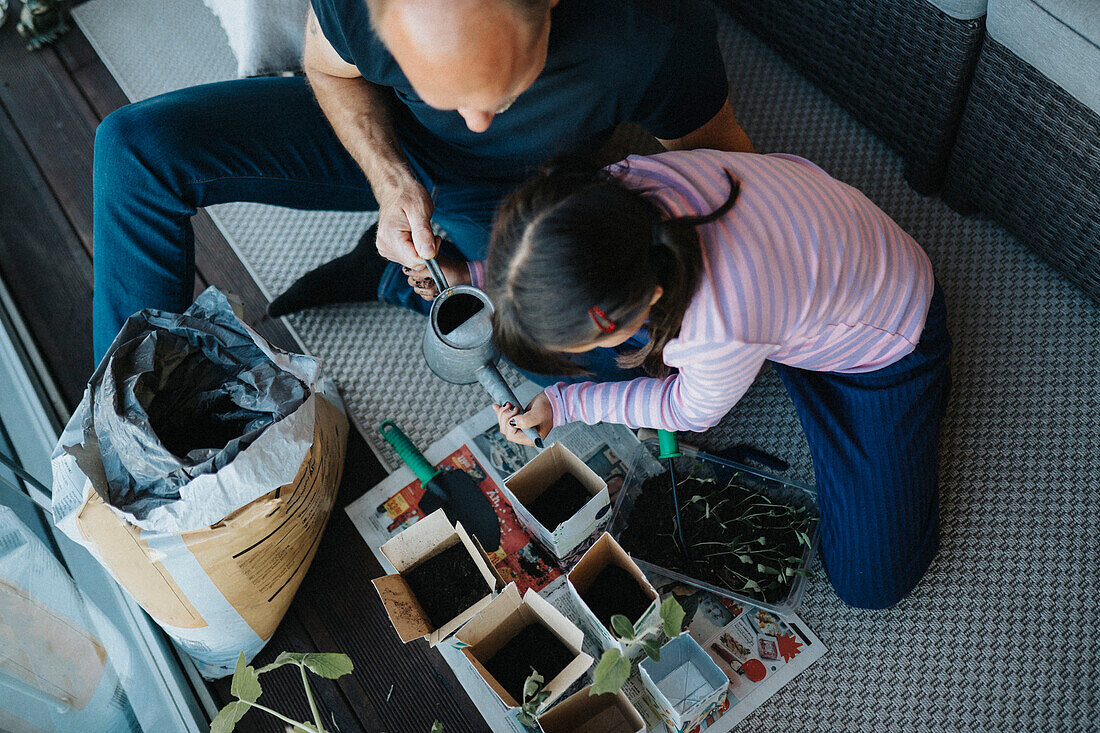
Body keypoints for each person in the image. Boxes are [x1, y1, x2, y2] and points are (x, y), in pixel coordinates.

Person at [90, 0, 753, 364]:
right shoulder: (354, 8)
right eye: (446, 93)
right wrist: (389, 180)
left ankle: (419, 282)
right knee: (133, 150)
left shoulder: (652, 28)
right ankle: (123, 425)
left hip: (511, 191)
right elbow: (331, 71)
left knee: (620, 350)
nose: (473, 119)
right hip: (384, 133)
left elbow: (728, 170)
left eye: (502, 93)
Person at [488, 150, 952, 609]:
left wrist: (570, 405)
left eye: (584, 344)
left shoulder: (721, 325)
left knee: (869, 582)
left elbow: (683, 409)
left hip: (886, 345)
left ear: (648, 296)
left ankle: (857, 395)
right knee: (637, 358)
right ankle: (776, 345)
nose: (582, 354)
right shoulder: (608, 192)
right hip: (797, 265)